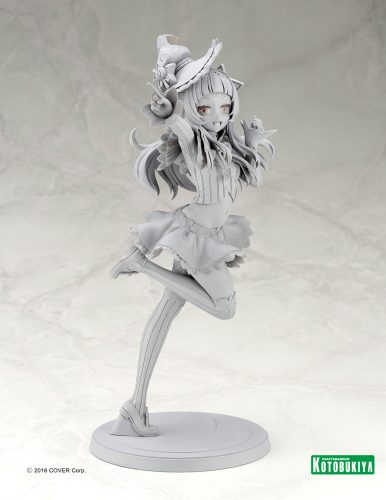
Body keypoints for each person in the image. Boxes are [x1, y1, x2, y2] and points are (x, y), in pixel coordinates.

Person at [109, 34, 275, 437]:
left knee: (167, 310)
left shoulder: (228, 147)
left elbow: (248, 177)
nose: (217, 115)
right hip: (198, 235)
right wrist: (169, 112)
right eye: (204, 107)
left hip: (208, 231)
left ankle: (134, 407)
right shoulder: (194, 141)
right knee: (224, 308)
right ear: (191, 109)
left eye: (224, 106)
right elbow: (178, 124)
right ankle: (141, 265)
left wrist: (252, 143)